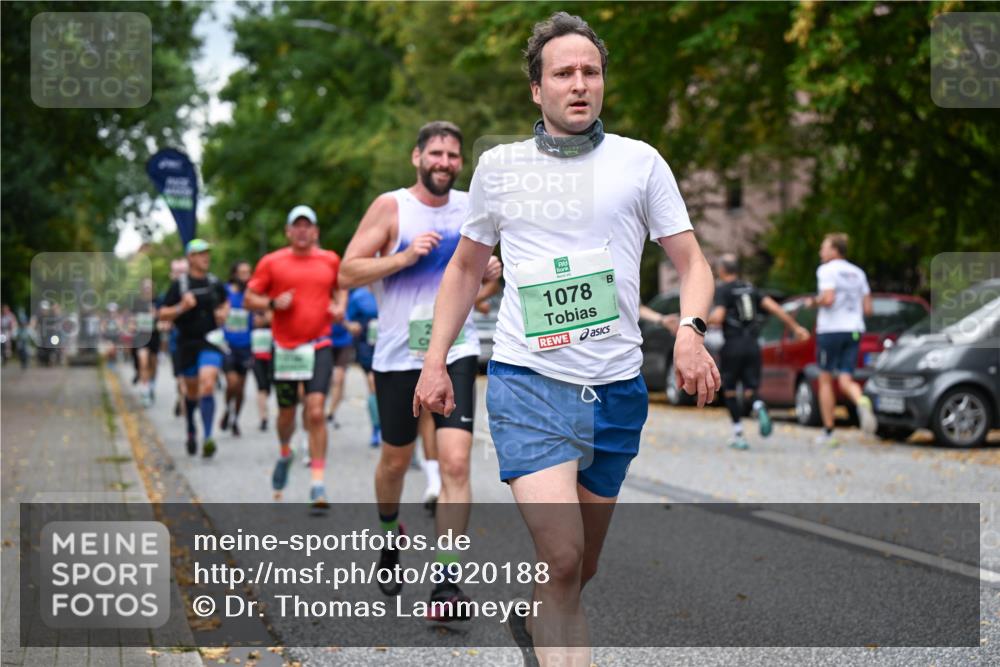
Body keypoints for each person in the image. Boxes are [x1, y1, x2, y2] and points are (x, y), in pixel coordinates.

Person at [412, 13, 719, 666]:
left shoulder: (641, 163)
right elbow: (466, 267)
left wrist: (691, 332)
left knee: (580, 570)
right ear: (537, 89)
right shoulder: (501, 168)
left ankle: (534, 615)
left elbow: (692, 263)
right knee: (563, 553)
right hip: (530, 385)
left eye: (591, 71)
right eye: (563, 73)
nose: (579, 83)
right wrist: (436, 358)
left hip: (616, 390)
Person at [340, 120, 502, 619]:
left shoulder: (472, 211)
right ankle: (390, 534)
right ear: (417, 157)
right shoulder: (393, 207)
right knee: (394, 462)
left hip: (454, 349)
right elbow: (347, 271)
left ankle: (447, 581)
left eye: (453, 155)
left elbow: (475, 300)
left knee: (455, 463)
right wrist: (404, 256)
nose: (445, 163)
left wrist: (489, 280)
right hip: (397, 355)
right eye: (436, 153)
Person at [244, 205, 345, 511]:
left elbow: (341, 290)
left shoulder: (330, 259)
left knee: (315, 411)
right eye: (296, 226)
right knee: (287, 415)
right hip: (286, 349)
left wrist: (339, 307)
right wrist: (272, 302)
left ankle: (317, 483)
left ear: (315, 231)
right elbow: (250, 299)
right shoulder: (271, 262)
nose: (302, 231)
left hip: (319, 345)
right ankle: (285, 452)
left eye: (308, 226)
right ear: (288, 231)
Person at [708, 254, 810, 450]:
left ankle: (738, 434)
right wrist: (796, 328)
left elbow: (719, 316)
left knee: (729, 390)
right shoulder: (751, 288)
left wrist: (700, 319)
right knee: (750, 390)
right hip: (754, 346)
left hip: (733, 346)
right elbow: (775, 309)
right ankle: (758, 406)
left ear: (721, 271)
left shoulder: (723, 290)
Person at [804, 233, 877, 445]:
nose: (821, 252)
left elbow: (828, 298)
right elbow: (868, 309)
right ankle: (860, 400)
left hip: (831, 330)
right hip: (854, 330)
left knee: (825, 379)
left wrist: (812, 302)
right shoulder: (858, 273)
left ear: (835, 250)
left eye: (823, 247)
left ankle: (828, 432)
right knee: (846, 379)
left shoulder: (827, 270)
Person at [158, 239, 230, 457]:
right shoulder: (179, 286)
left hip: (210, 341)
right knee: (191, 392)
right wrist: (182, 306)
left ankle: (208, 437)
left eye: (207, 253)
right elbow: (162, 313)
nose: (205, 257)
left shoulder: (214, 283)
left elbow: (225, 302)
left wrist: (223, 313)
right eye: (200, 254)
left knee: (208, 384)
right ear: (190, 258)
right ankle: (191, 428)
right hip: (186, 343)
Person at [220, 261, 255, 437]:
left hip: (246, 346)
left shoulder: (251, 294)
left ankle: (234, 419)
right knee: (232, 383)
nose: (245, 277)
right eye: (242, 273)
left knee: (241, 388)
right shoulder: (224, 292)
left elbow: (260, 317)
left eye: (248, 273)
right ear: (234, 274)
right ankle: (227, 408)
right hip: (227, 346)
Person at [344, 286, 381, 447]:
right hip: (367, 344)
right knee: (373, 385)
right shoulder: (358, 295)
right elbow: (347, 317)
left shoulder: (399, 282)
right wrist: (351, 326)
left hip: (394, 343)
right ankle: (377, 427)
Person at [130, 278, 162, 407]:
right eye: (145, 287)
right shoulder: (137, 302)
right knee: (143, 363)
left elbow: (164, 317)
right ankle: (145, 392)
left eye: (149, 287)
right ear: (142, 289)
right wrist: (132, 325)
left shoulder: (158, 301)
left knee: (153, 364)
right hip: (141, 337)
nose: (147, 290)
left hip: (154, 336)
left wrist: (157, 316)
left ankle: (151, 385)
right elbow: (132, 319)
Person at [325, 320, 355, 428]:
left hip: (344, 343)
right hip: (325, 343)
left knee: (338, 378)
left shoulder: (349, 303)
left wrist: (347, 323)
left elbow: (354, 322)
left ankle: (331, 413)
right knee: (327, 380)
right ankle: (324, 411)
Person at [250, 306, 274, 432]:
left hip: (272, 356)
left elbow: (272, 318)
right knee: (262, 387)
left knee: (269, 388)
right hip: (257, 356)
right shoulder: (251, 303)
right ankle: (263, 417)